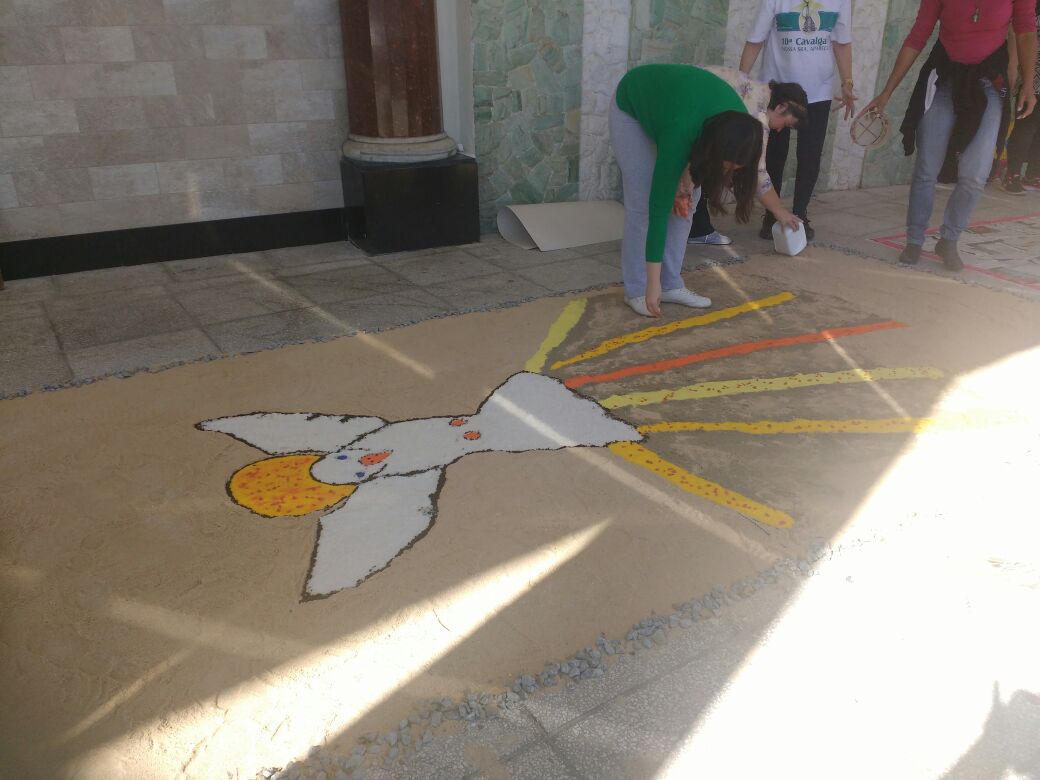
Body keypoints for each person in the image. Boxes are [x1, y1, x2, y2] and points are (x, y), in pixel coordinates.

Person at [611, 63, 803, 317]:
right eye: (726, 167)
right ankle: (638, 289)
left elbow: (705, 156)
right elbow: (658, 210)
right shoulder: (681, 132)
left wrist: (688, 184)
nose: (728, 174)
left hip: (681, 108)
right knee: (645, 202)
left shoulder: (744, 128)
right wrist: (651, 285)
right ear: (714, 150)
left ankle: (670, 284)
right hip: (634, 104)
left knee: (687, 201)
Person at [859, 0, 1037, 271]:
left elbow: (1025, 31)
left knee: (975, 174)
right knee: (926, 168)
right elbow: (918, 36)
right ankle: (914, 239)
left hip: (988, 82)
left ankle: (950, 238)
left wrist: (1028, 86)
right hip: (945, 78)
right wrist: (886, 92)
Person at [736, 0, 856, 242]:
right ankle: (772, 215)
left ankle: (801, 214)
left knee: (810, 155)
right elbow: (755, 40)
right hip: (778, 90)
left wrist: (847, 83)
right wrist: (741, 84)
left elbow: (842, 43)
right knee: (774, 155)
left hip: (818, 92)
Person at [687, 68, 813, 246]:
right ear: (781, 107)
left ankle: (697, 228)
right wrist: (780, 212)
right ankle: (695, 229)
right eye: (785, 124)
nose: (779, 130)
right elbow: (759, 174)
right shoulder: (758, 114)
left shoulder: (756, 88)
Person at [1003, 1, 1040, 194]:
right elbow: (1020, 35)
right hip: (1031, 78)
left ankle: (1034, 174)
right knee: (1026, 124)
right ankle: (1012, 174)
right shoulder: (1031, 9)